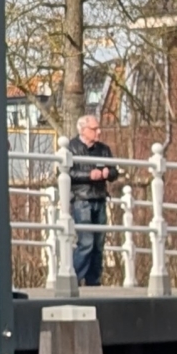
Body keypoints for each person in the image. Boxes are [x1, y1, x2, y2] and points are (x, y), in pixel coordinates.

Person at [68, 114, 118, 286]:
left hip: (100, 198)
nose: (99, 132)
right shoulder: (71, 148)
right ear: (83, 130)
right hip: (82, 199)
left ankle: (93, 281)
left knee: (99, 244)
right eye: (94, 129)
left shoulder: (104, 149)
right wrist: (89, 175)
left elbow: (114, 172)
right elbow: (67, 173)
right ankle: (72, 277)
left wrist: (107, 173)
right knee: (86, 242)